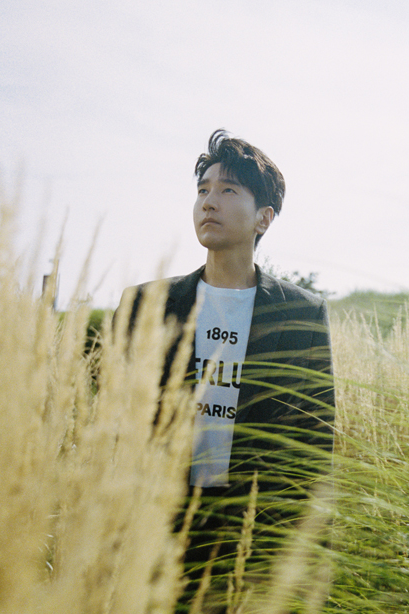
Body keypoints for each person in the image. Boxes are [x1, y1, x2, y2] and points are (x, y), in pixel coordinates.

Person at [118, 129, 334, 574]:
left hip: (253, 531)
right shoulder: (145, 305)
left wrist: (305, 564)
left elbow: (314, 443)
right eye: (203, 190)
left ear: (263, 219)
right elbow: (116, 425)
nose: (208, 202)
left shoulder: (302, 313)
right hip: (155, 523)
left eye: (228, 190)